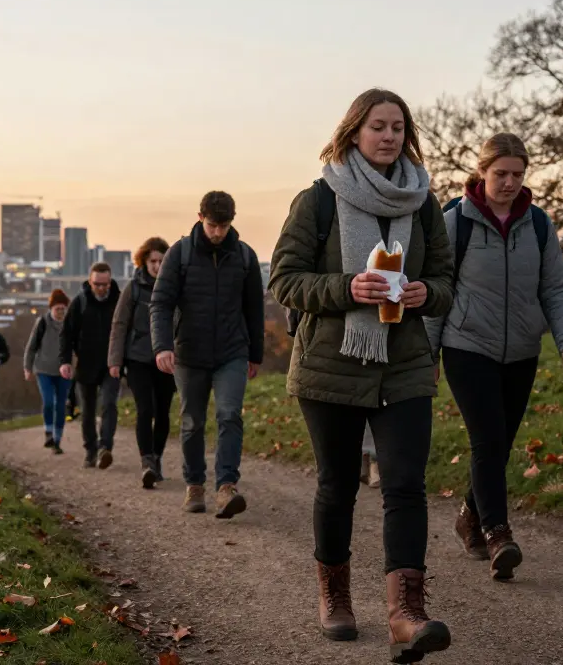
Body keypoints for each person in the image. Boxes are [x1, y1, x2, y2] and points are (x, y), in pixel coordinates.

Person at [268, 88, 454, 661]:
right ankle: (336, 596)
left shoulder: (422, 202)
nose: (390, 136)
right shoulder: (318, 200)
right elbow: (284, 279)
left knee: (404, 483)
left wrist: (426, 293)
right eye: (378, 126)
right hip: (331, 364)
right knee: (338, 484)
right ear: (354, 132)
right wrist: (346, 287)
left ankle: (405, 614)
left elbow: (447, 279)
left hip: (403, 364)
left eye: (399, 126)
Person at [426, 133, 563, 584]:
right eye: (501, 174)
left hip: (522, 351)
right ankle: (498, 534)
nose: (510, 182)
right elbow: (439, 291)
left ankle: (468, 516)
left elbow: (553, 288)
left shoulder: (538, 224)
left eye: (517, 174)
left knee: (500, 443)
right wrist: (427, 353)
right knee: (488, 439)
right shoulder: (455, 222)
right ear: (482, 172)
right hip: (466, 345)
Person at [152, 191, 264, 519]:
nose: (218, 232)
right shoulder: (180, 254)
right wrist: (162, 346)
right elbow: (160, 303)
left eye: (224, 226)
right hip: (189, 354)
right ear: (200, 218)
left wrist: (254, 354)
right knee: (192, 421)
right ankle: (195, 485)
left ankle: (226, 487)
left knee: (229, 414)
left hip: (232, 351)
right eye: (213, 225)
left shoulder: (244, 256)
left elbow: (254, 310)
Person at [108, 237, 176, 489]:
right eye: (153, 261)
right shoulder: (133, 288)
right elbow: (119, 324)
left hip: (167, 358)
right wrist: (114, 360)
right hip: (137, 358)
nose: (157, 266)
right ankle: (146, 462)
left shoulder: (173, 287)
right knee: (144, 409)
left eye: (161, 261)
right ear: (144, 262)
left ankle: (157, 458)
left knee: (163, 412)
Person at [60, 262, 122, 469]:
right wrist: (65, 361)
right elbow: (66, 334)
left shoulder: (119, 302)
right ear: (90, 282)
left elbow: (127, 332)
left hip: (111, 365)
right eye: (97, 284)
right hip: (85, 365)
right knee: (87, 410)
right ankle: (90, 450)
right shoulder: (79, 303)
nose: (102, 288)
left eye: (105, 284)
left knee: (109, 404)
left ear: (110, 282)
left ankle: (105, 447)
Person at [25, 289, 73, 455]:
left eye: (63, 309)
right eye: (57, 309)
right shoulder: (42, 323)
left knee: (61, 406)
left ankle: (57, 441)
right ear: (51, 308)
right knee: (48, 402)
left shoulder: (70, 324)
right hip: (43, 369)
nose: (60, 312)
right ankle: (48, 431)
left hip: (64, 371)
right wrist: (27, 367)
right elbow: (31, 347)